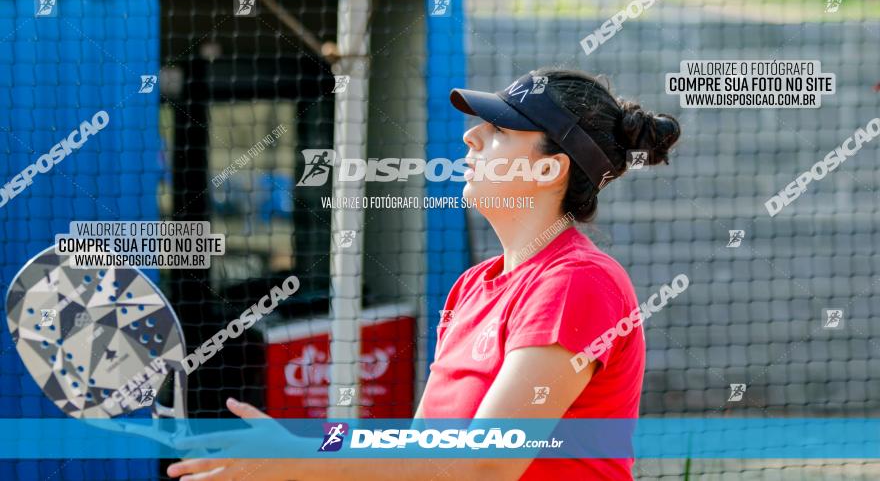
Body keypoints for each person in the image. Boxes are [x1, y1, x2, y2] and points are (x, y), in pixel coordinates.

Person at [168, 68, 681, 481]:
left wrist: (300, 463)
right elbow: (416, 453)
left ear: (551, 168)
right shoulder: (472, 286)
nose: (472, 137)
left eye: (500, 129)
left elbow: (486, 463)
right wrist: (302, 448)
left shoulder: (578, 282)